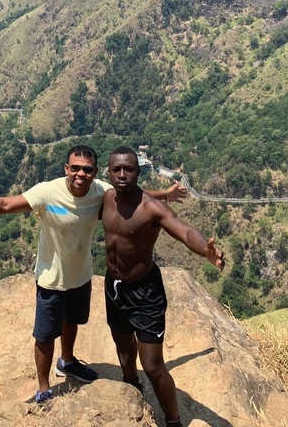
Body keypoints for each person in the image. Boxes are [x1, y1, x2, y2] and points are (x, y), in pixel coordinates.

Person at [0, 145, 186, 405]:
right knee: (44, 335)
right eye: (74, 168)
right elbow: (5, 204)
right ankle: (43, 388)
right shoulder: (47, 192)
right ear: (66, 169)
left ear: (95, 172)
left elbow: (132, 196)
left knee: (71, 321)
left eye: (87, 170)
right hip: (51, 278)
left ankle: (67, 361)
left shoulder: (100, 190)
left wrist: (165, 194)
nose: (80, 174)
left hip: (80, 275)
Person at [102, 146, 225, 427]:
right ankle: (131, 385)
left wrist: (205, 250)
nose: (122, 175)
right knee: (122, 343)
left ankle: (173, 421)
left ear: (138, 171)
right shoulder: (106, 198)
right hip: (114, 286)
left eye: (129, 169)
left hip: (145, 292)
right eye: (116, 170)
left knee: (154, 366)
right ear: (108, 172)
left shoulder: (152, 208)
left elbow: (183, 230)